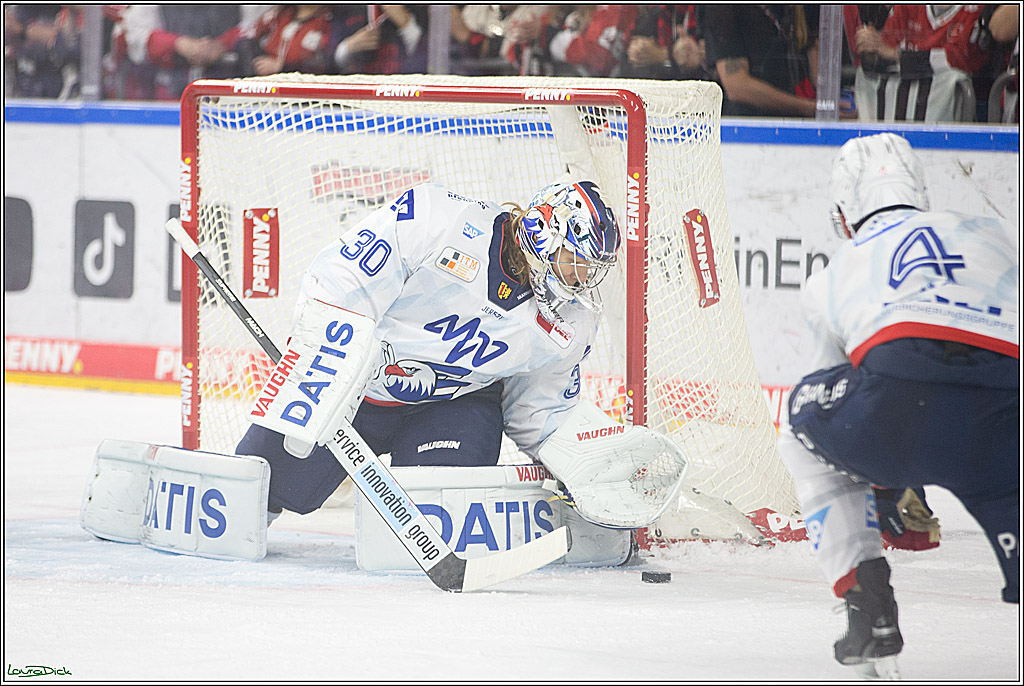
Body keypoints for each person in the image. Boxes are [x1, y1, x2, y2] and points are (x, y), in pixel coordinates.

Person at [778, 133, 1019, 678]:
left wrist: (889, 486)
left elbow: (837, 394)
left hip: (899, 408)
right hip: (1008, 417)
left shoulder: (833, 272)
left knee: (800, 426)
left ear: (843, 214)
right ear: (922, 193)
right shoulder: (995, 230)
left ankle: (866, 597)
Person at [236, 179, 621, 519]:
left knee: (445, 506)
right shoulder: (439, 219)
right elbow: (342, 280)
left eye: (592, 268)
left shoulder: (572, 320)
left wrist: (574, 467)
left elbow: (539, 409)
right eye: (576, 261)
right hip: (355, 388)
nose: (582, 279)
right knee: (264, 483)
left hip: (456, 406)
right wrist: (326, 367)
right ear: (542, 233)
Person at [699, 4, 837, 118]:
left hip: (799, 123)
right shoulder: (725, 9)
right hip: (748, 128)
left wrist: (830, 104)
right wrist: (808, 107)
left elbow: (818, 76)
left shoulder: (796, 9)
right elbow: (736, 85)